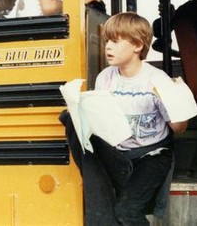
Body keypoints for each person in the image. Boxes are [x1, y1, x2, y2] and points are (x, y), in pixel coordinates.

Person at [60, 12, 188, 225]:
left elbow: (179, 128)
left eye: (115, 41)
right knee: (70, 119)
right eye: (107, 41)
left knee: (127, 211)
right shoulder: (105, 77)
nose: (108, 47)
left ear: (137, 45)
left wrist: (176, 104)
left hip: (151, 155)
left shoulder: (157, 80)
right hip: (119, 153)